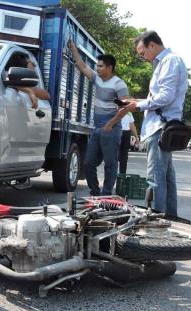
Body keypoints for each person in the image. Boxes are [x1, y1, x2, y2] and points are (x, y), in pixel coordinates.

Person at [119, 30, 188, 216]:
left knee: (156, 179)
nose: (143, 58)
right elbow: (161, 96)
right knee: (166, 178)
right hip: (162, 127)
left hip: (159, 128)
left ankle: (158, 225)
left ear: (152, 45)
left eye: (142, 53)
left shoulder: (169, 61)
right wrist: (135, 102)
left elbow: (165, 96)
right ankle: (169, 219)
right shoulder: (166, 62)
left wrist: (138, 106)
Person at [68, 40, 130, 195]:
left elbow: (125, 108)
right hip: (97, 128)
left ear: (110, 67)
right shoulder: (97, 79)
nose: (97, 68)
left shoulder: (119, 84)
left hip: (112, 128)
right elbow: (82, 66)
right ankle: (95, 191)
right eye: (97, 65)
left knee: (110, 164)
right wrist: (74, 49)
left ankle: (106, 193)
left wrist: (111, 123)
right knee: (88, 162)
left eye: (101, 66)